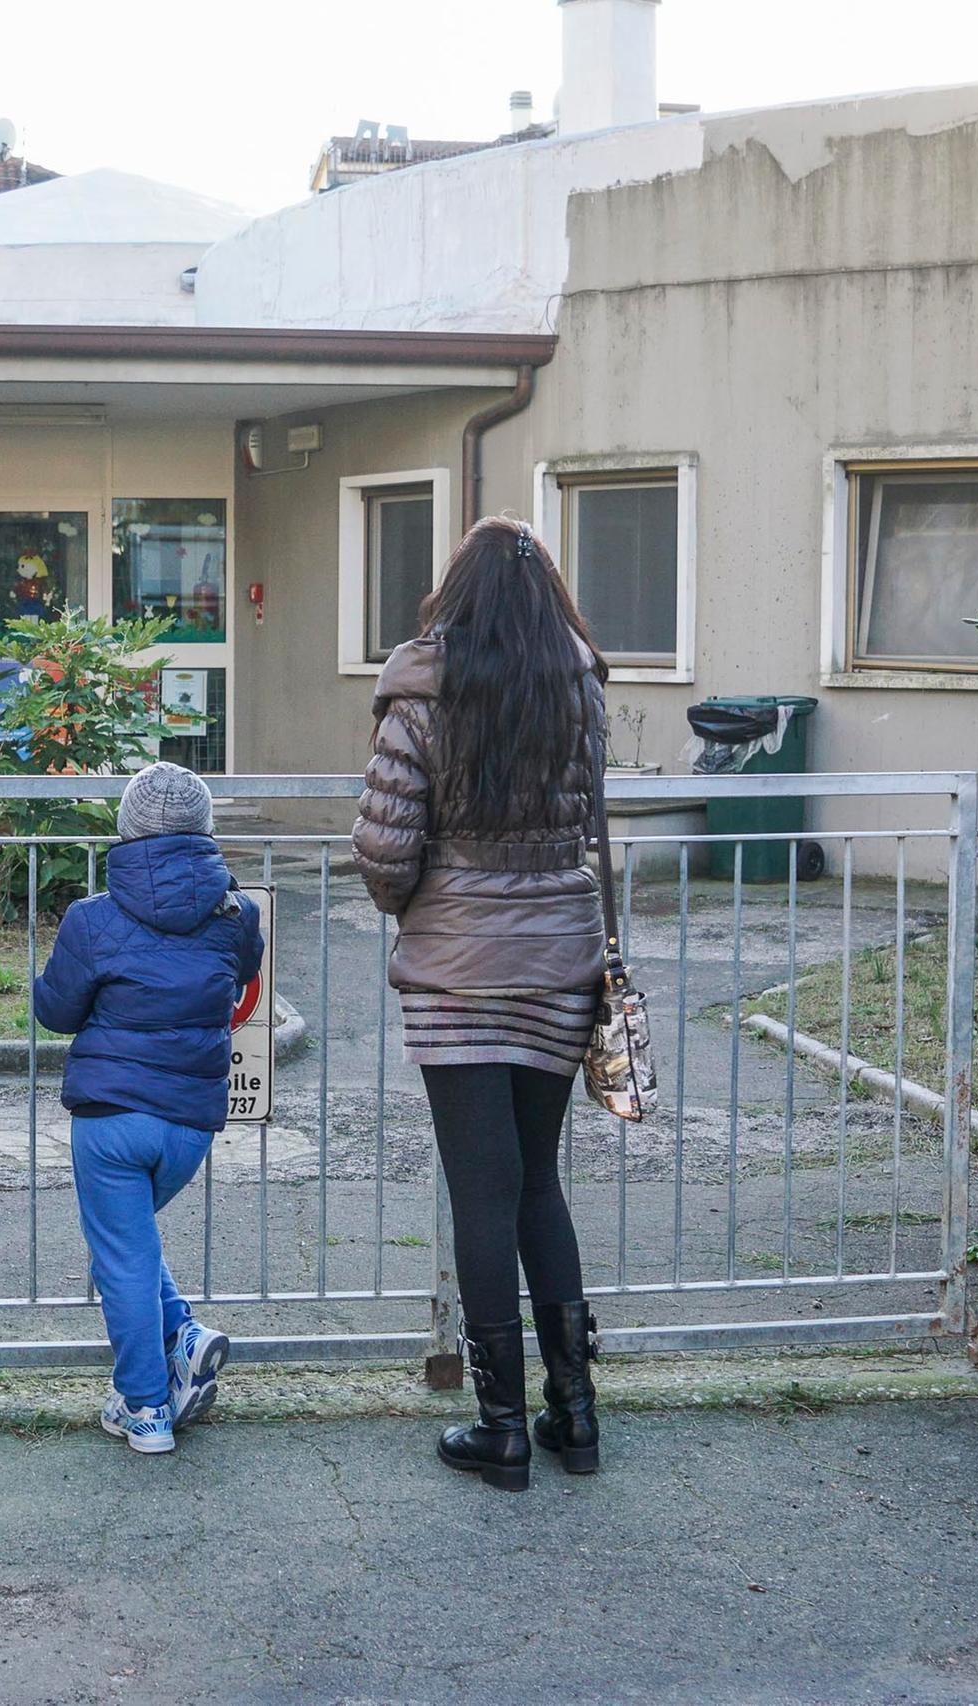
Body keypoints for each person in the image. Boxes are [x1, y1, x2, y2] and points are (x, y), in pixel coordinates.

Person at [350, 514, 609, 1492]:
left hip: (457, 966)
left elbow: (383, 847)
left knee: (481, 1189)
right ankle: (572, 1414)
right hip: (559, 960)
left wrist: (421, 902)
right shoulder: (575, 686)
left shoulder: (422, 685)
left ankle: (498, 1425)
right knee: (538, 1180)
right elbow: (588, 817)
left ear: (454, 588)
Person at [32, 762, 263, 1454]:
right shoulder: (237, 913)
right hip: (190, 1122)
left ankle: (145, 1407)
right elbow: (242, 973)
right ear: (206, 830)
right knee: (129, 1245)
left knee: (123, 1255)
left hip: (109, 1121)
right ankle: (182, 1335)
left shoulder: (91, 918)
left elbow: (57, 1012)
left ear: (126, 830)